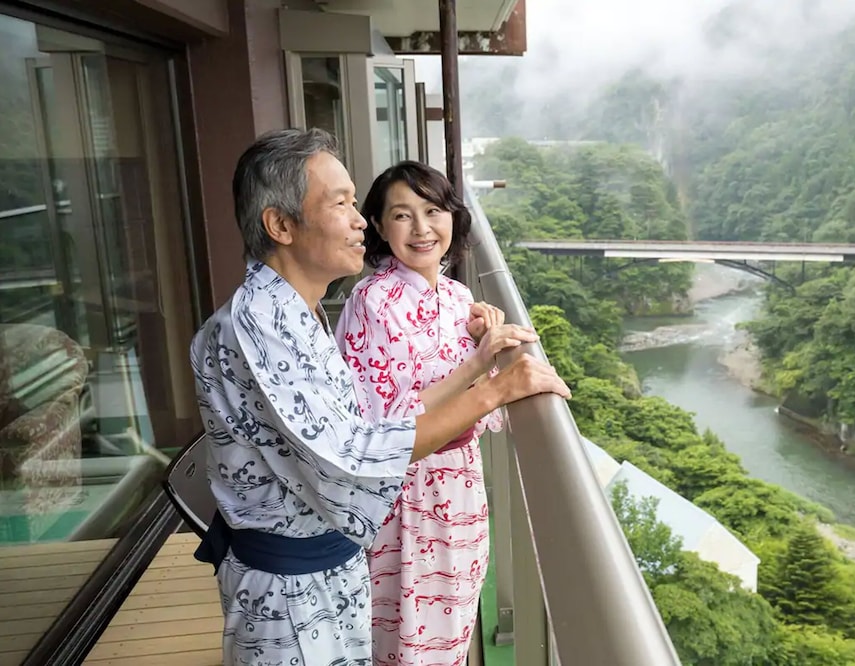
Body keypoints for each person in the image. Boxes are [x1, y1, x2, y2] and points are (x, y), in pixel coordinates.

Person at [188, 128, 570, 666]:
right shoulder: (263, 325)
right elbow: (359, 453)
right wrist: (495, 388)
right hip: (293, 594)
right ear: (281, 224)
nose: (358, 220)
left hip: (326, 572)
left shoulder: (291, 312)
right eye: (341, 203)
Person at [335, 161, 526, 666]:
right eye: (402, 215)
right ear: (378, 226)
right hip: (405, 493)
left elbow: (476, 407)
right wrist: (478, 362)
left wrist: (484, 338)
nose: (421, 229)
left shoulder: (458, 295)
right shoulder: (372, 300)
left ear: (452, 219)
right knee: (409, 635)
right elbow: (381, 421)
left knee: (455, 620)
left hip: (459, 482)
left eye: (433, 211)